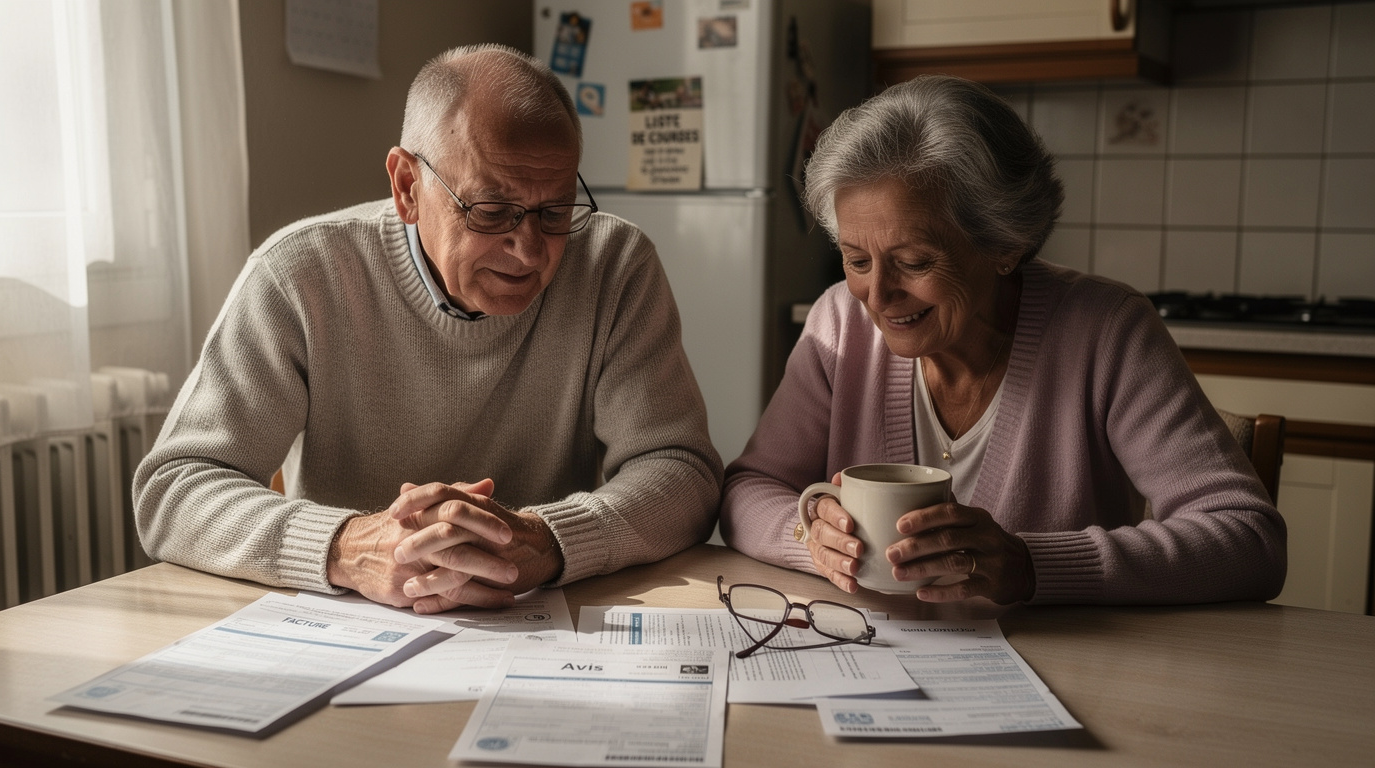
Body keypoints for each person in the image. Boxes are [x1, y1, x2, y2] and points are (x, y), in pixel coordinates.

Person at [134, 45, 722, 614]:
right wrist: (348, 546)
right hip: (343, 629)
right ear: (408, 188)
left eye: (556, 210)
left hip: (537, 625)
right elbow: (175, 490)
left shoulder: (614, 266)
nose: (530, 249)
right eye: (491, 211)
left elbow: (683, 472)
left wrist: (550, 539)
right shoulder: (299, 275)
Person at [720, 75, 1285, 606]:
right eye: (856, 259)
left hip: (1071, 671)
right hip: (872, 655)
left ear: (1005, 245)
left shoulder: (1107, 331)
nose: (878, 294)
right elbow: (748, 488)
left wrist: (1031, 563)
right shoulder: (839, 324)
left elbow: (1248, 536)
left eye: (914, 261)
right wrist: (813, 530)